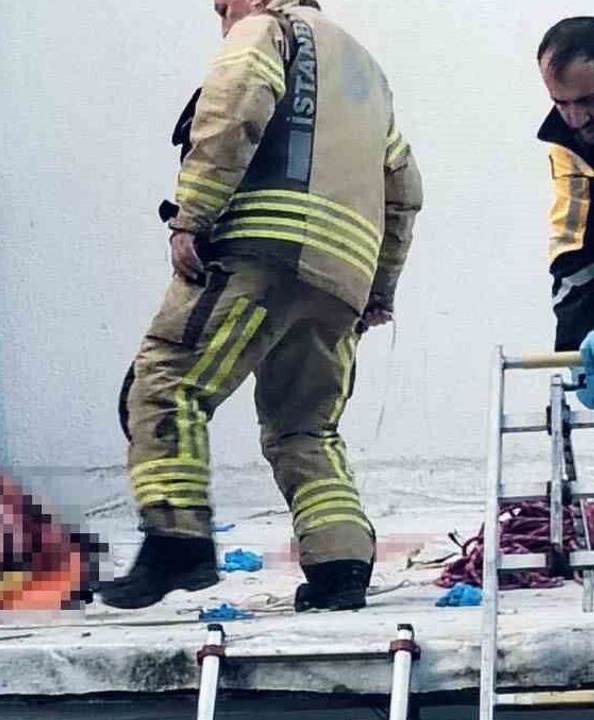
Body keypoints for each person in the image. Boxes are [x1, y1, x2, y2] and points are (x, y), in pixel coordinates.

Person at [101, 0, 423, 612]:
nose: (223, 19)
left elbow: (232, 109)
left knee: (166, 383)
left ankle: (176, 542)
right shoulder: (366, 75)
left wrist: (191, 217)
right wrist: (379, 288)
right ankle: (340, 568)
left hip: (262, 252)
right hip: (340, 282)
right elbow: (404, 188)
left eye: (224, 5)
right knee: (306, 427)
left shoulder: (268, 31)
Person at [536, 18, 594, 410]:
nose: (575, 119)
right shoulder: (567, 145)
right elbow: (572, 251)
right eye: (561, 103)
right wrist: (576, 345)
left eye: (588, 101)